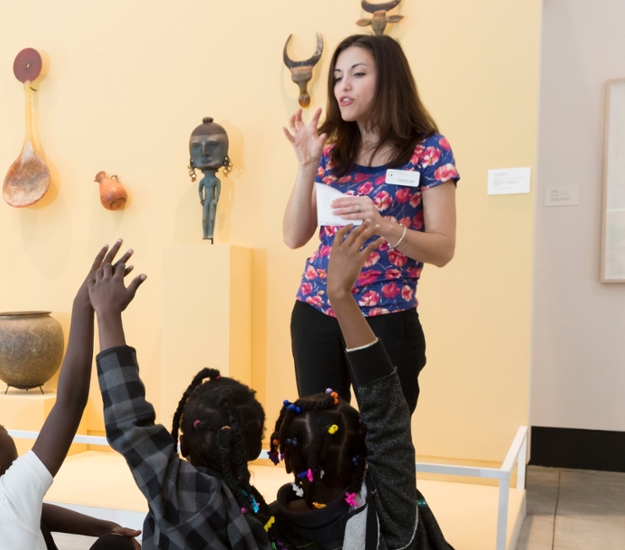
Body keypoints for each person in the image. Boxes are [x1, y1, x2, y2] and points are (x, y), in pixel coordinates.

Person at [0, 241, 142, 550]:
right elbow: (70, 403)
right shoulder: (12, 495)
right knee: (118, 547)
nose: (7, 432)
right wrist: (82, 305)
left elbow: (35, 510)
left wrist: (104, 525)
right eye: (0, 429)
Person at [281, 34, 459, 414]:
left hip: (387, 316)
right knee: (320, 440)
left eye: (357, 74)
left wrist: (385, 227)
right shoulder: (332, 151)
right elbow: (294, 236)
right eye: (337, 76)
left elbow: (444, 249)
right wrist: (307, 165)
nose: (343, 86)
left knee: (385, 442)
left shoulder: (428, 150)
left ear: (389, 80)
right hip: (317, 308)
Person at [266, 223, 453, 549]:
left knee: (321, 421)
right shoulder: (395, 521)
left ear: (286, 456)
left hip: (386, 305)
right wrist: (340, 294)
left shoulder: (261, 528)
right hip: (324, 305)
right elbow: (387, 422)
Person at [90, 244, 271, 549]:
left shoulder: (185, 493)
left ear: (183, 443)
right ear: (253, 449)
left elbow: (129, 421)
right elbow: (131, 425)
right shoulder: (258, 510)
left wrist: (107, 315)